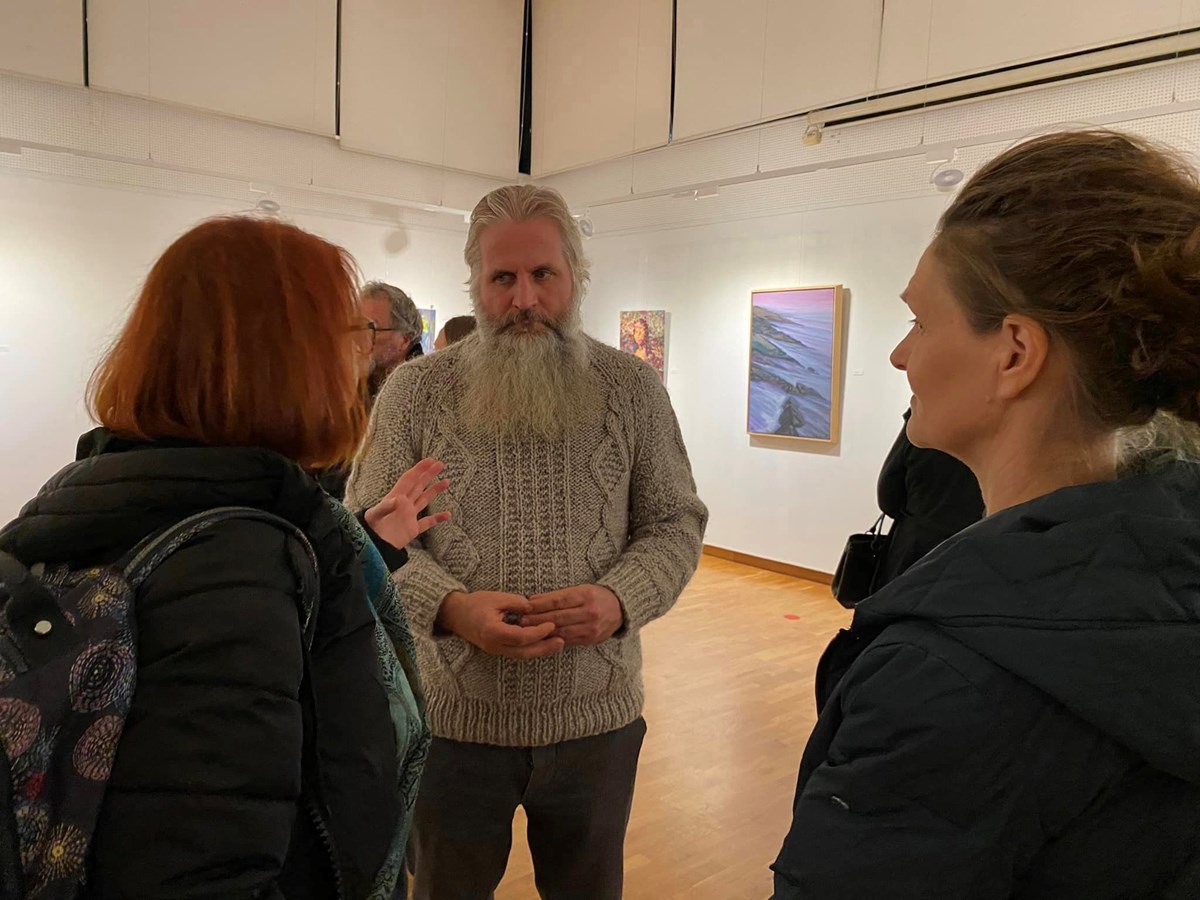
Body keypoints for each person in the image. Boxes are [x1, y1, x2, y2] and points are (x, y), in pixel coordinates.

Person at [772, 130, 1200, 899]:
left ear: (1014, 354)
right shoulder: (1169, 580)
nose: (900, 355)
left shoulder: (943, 686)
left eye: (920, 322)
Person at [0, 216, 450, 898]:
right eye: (346, 332)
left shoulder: (102, 487)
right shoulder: (234, 563)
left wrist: (366, 550)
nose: (357, 356)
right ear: (284, 357)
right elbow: (202, 865)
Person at [346, 184, 708, 900]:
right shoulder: (415, 394)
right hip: (452, 722)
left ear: (576, 275)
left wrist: (619, 598)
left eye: (543, 274)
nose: (524, 299)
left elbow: (675, 522)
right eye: (502, 278)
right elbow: (364, 539)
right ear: (476, 283)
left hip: (597, 723)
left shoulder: (633, 389)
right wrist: (449, 607)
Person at [874, 408, 983, 587]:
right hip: (973, 548)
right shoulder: (1001, 424)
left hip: (915, 543)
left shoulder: (923, 419)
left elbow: (888, 496)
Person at [360, 280, 425, 397]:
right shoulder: (355, 385)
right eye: (358, 327)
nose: (359, 339)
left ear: (404, 340)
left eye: (371, 328)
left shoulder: (424, 392)